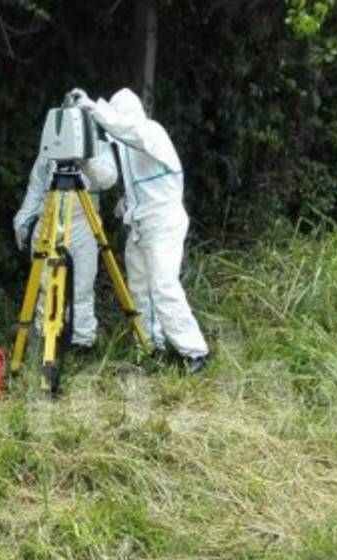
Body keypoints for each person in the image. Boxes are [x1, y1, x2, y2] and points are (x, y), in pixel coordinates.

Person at [71, 87, 209, 373]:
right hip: (139, 223)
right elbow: (108, 176)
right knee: (139, 290)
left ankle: (194, 351)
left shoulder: (149, 131)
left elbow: (129, 132)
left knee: (164, 285)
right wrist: (83, 161)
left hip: (163, 221)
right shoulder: (122, 144)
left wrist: (93, 108)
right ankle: (149, 347)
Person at [12, 123, 117, 350]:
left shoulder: (98, 146)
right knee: (45, 283)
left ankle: (82, 340)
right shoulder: (51, 148)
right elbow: (37, 185)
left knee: (82, 286)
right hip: (50, 219)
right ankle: (47, 335)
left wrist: (86, 161)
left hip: (84, 223)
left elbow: (108, 179)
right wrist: (24, 216)